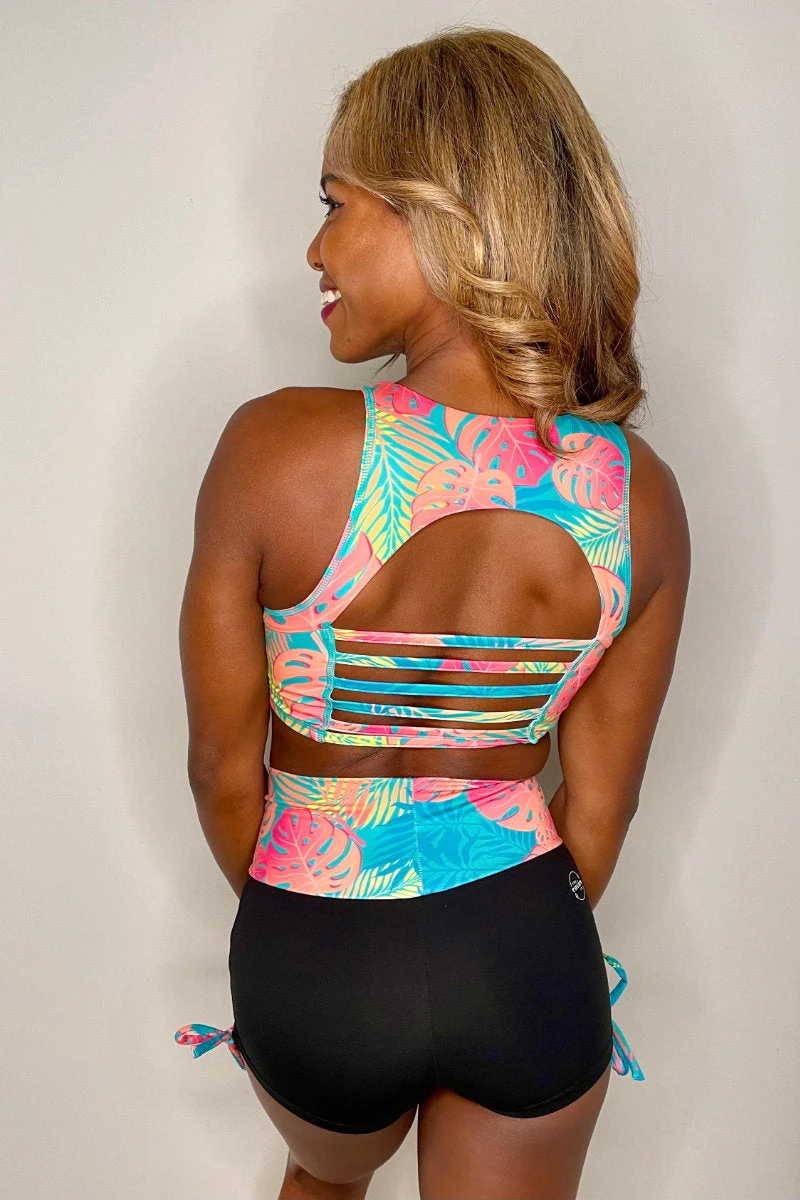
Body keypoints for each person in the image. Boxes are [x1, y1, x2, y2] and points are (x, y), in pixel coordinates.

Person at [173, 25, 690, 1200]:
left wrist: (307, 926)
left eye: (334, 202)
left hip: (314, 944)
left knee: (322, 1184)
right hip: (523, 942)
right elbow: (599, 806)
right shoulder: (639, 497)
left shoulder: (275, 450)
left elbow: (220, 770)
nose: (314, 246)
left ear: (438, 212)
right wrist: (488, 928)